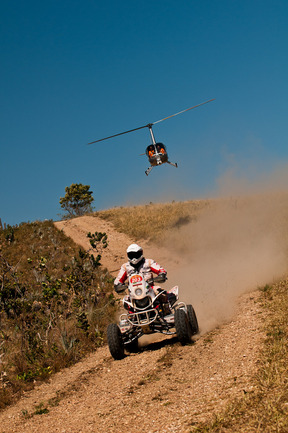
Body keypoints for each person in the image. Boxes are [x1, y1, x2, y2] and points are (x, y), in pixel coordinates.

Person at [114, 244, 175, 314]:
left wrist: (161, 275)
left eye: (136, 254)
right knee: (126, 301)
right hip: (134, 291)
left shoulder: (148, 262)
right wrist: (118, 285)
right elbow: (118, 279)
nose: (134, 257)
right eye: (132, 255)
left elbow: (161, 270)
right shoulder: (125, 267)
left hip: (150, 288)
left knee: (160, 292)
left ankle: (166, 310)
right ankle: (131, 317)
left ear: (140, 253)